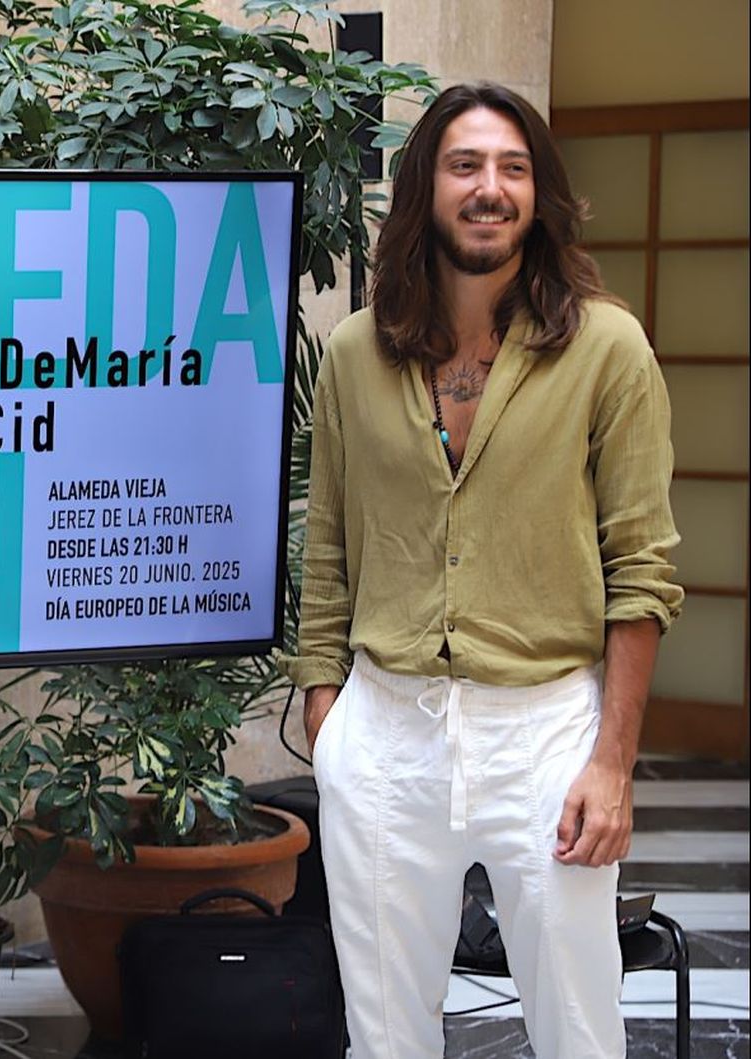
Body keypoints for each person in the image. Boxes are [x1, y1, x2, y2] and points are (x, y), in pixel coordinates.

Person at [281, 82, 682, 1058]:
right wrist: (328, 723)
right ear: (425, 188)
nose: (488, 187)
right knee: (382, 1033)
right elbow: (327, 543)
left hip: (544, 730)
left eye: (512, 167)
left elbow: (641, 567)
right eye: (465, 165)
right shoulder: (351, 357)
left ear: (540, 194)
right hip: (382, 729)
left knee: (577, 1025)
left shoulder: (607, 352)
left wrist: (612, 763)